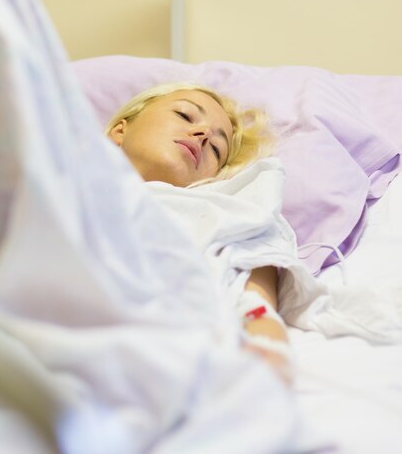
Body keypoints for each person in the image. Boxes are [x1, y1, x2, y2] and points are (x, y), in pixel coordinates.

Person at [105, 82, 293, 384]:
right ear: (120, 131)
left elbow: (257, 307)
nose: (203, 135)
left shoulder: (222, 213)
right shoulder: (59, 171)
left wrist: (266, 345)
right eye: (185, 115)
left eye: (217, 150)